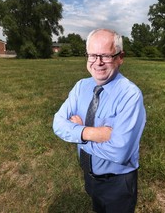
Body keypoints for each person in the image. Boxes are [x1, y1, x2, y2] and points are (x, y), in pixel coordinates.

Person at [53, 28, 146, 213]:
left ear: (120, 57)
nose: (98, 62)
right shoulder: (81, 87)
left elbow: (119, 152)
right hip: (89, 175)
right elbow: (58, 123)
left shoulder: (130, 95)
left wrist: (76, 135)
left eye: (105, 56)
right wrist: (91, 133)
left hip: (117, 183)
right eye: (92, 55)